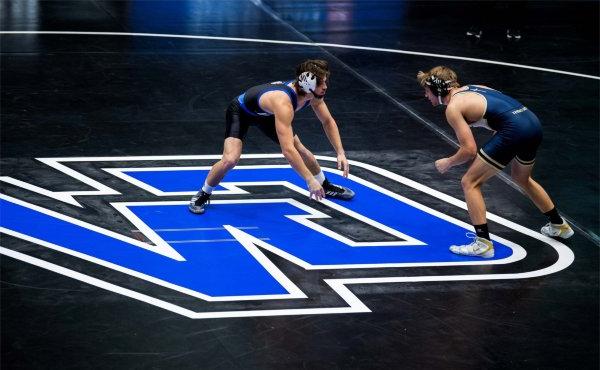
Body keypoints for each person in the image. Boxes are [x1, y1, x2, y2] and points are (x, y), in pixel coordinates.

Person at [416, 66, 574, 258]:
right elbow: (500, 108)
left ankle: (483, 244)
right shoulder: (473, 87)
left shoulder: (453, 108)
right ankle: (559, 225)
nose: (426, 96)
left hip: (514, 130)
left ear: (438, 90)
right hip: (532, 123)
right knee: (522, 178)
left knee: (469, 182)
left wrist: (448, 162)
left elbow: (469, 150)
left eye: (427, 90)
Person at [189, 59, 355, 214]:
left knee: (302, 150)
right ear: (309, 85)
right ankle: (203, 193)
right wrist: (309, 180)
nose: (325, 86)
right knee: (230, 159)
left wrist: (340, 152)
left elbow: (327, 121)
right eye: (321, 83)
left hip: (267, 114)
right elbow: (287, 151)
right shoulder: (284, 103)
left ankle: (325, 186)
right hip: (241, 111)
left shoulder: (312, 94)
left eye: (325, 81)